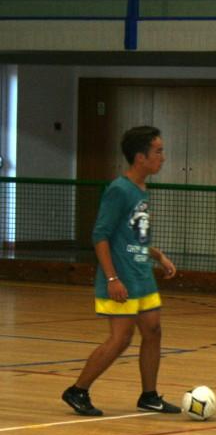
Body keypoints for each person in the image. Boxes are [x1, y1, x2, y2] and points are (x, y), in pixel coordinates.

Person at [61, 126, 181, 417]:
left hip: (142, 275)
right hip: (122, 277)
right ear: (140, 157)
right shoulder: (119, 190)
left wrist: (157, 255)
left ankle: (149, 396)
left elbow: (132, 236)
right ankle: (78, 390)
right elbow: (100, 236)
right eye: (158, 151)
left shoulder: (141, 189)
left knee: (153, 331)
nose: (163, 157)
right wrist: (112, 279)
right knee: (121, 338)